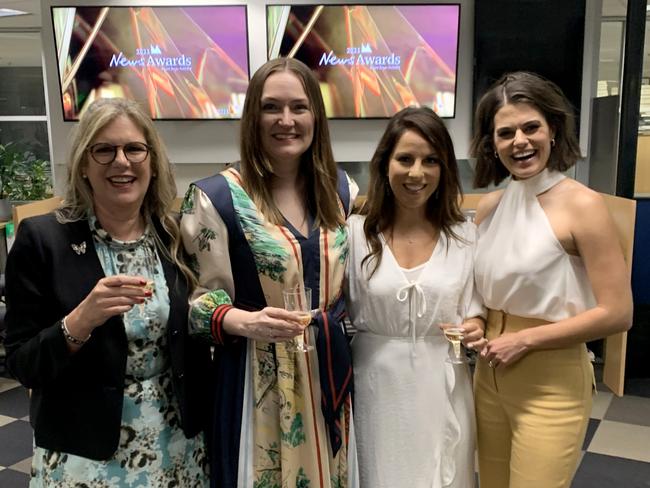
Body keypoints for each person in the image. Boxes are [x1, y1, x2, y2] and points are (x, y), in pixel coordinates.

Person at [4, 98, 210, 486]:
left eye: (134, 148)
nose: (122, 161)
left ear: (151, 160)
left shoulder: (174, 235)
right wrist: (79, 322)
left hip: (178, 447)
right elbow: (21, 363)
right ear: (84, 163)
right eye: (104, 150)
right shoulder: (43, 239)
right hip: (86, 454)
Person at [180, 57, 359, 488]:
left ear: (316, 114)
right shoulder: (215, 198)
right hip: (254, 374)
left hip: (328, 373)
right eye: (271, 107)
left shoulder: (343, 191)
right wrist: (248, 322)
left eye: (299, 107)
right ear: (252, 118)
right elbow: (194, 306)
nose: (286, 120)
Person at [470, 71, 633, 488]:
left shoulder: (583, 205)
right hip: (487, 377)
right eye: (505, 133)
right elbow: (479, 291)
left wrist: (525, 340)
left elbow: (618, 313)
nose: (519, 141)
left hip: (551, 384)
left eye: (531, 127)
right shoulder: (489, 207)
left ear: (554, 131)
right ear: (492, 144)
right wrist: (474, 322)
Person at [345, 106, 486, 488]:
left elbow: (476, 312)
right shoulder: (355, 234)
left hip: (441, 381)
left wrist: (472, 327)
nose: (416, 173)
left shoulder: (465, 236)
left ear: (444, 170)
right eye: (405, 159)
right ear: (385, 164)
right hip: (375, 385)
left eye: (430, 161)